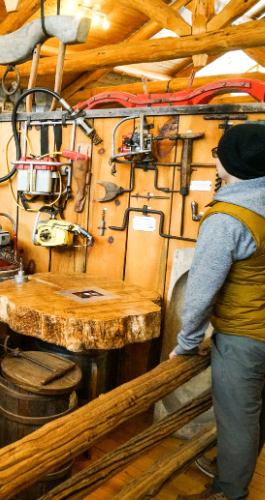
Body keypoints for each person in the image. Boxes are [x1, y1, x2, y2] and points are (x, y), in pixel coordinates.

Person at [171, 123, 265, 500]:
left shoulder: (228, 217)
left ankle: (229, 492)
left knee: (238, 420)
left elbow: (200, 293)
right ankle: (235, 471)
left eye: (219, 154)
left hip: (245, 337)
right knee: (257, 413)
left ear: (231, 163)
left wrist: (188, 342)